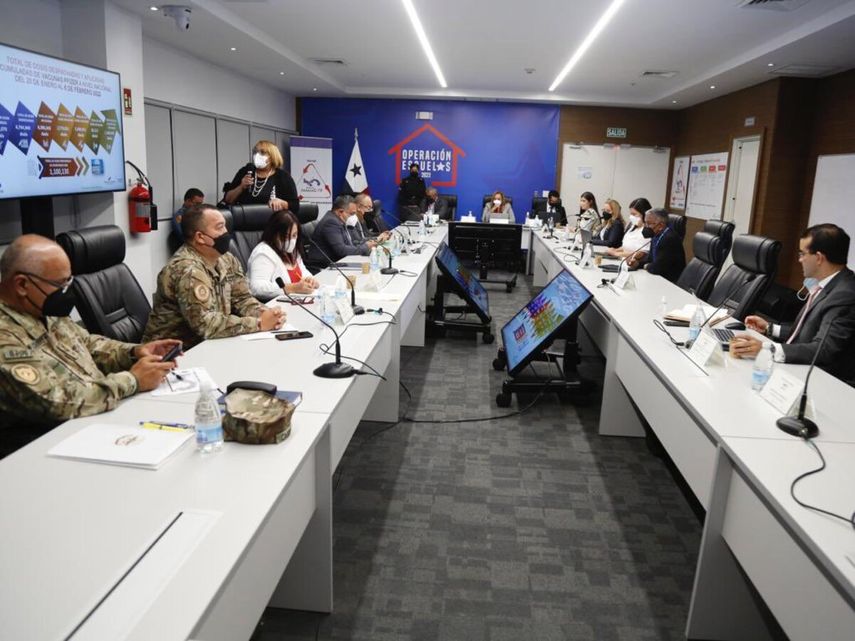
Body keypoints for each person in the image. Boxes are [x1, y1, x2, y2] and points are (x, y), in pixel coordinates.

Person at [0, 235, 179, 453]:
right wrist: (132, 380)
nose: (67, 291)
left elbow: (86, 343)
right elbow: (54, 401)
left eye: (69, 281)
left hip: (98, 417)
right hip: (48, 444)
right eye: (60, 284)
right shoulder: (6, 336)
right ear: (21, 285)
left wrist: (133, 352)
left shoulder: (41, 308)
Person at [144, 204, 285, 348]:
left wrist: (266, 314)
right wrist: (259, 324)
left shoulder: (227, 259)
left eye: (225, 226)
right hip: (169, 356)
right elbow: (205, 324)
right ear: (200, 237)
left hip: (209, 345)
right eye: (219, 227)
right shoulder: (188, 269)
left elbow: (242, 299)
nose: (226, 232)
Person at [731, 224, 855, 384]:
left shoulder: (845, 294)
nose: (799, 259)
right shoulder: (826, 285)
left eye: (802, 254)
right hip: (798, 368)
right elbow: (810, 330)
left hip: (822, 381)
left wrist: (767, 349)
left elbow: (823, 350)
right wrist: (770, 328)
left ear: (819, 258)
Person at [247, 210, 319, 301]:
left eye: (294, 235)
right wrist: (292, 288)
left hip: (297, 302)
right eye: (286, 236)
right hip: (272, 307)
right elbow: (257, 288)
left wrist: (310, 280)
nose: (291, 240)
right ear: (274, 234)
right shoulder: (263, 253)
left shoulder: (292, 250)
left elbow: (303, 272)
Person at [223, 140, 300, 217]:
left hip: (272, 222)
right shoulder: (245, 171)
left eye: (262, 153)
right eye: (255, 152)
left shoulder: (283, 177)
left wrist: (282, 203)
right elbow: (228, 200)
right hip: (244, 221)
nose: (257, 155)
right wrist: (241, 187)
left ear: (272, 157)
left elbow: (295, 206)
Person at [311, 195, 378, 264]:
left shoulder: (338, 219)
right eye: (352, 214)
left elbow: (350, 244)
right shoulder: (331, 222)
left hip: (340, 261)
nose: (353, 217)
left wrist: (368, 244)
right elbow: (342, 251)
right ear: (340, 212)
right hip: (325, 266)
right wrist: (365, 247)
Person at [627, 207, 685, 283]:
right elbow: (650, 261)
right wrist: (638, 264)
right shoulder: (656, 236)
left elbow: (657, 268)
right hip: (658, 278)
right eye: (645, 223)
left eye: (649, 223)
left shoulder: (669, 238)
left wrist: (646, 266)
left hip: (669, 282)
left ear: (660, 225)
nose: (646, 227)